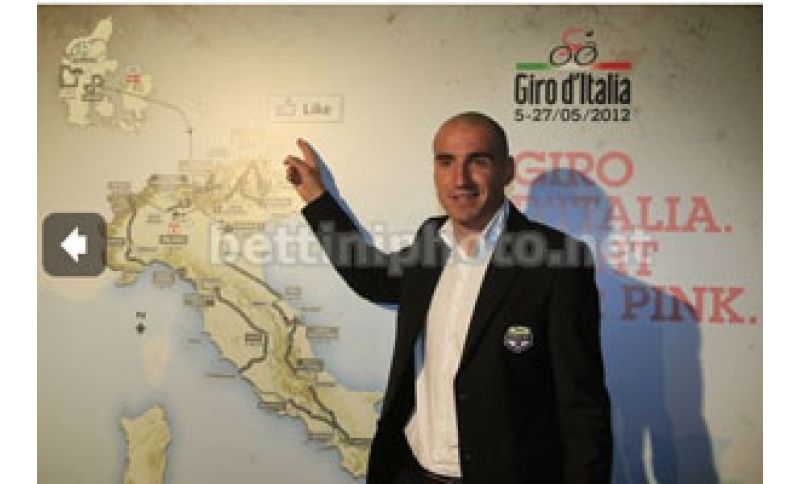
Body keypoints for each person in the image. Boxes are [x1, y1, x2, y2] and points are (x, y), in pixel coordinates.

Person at [284, 112, 612, 484]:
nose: (460, 179)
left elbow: (581, 409)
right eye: (446, 162)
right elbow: (373, 278)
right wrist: (317, 198)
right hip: (412, 473)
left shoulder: (558, 260)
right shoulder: (431, 240)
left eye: (478, 161)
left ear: (507, 171)